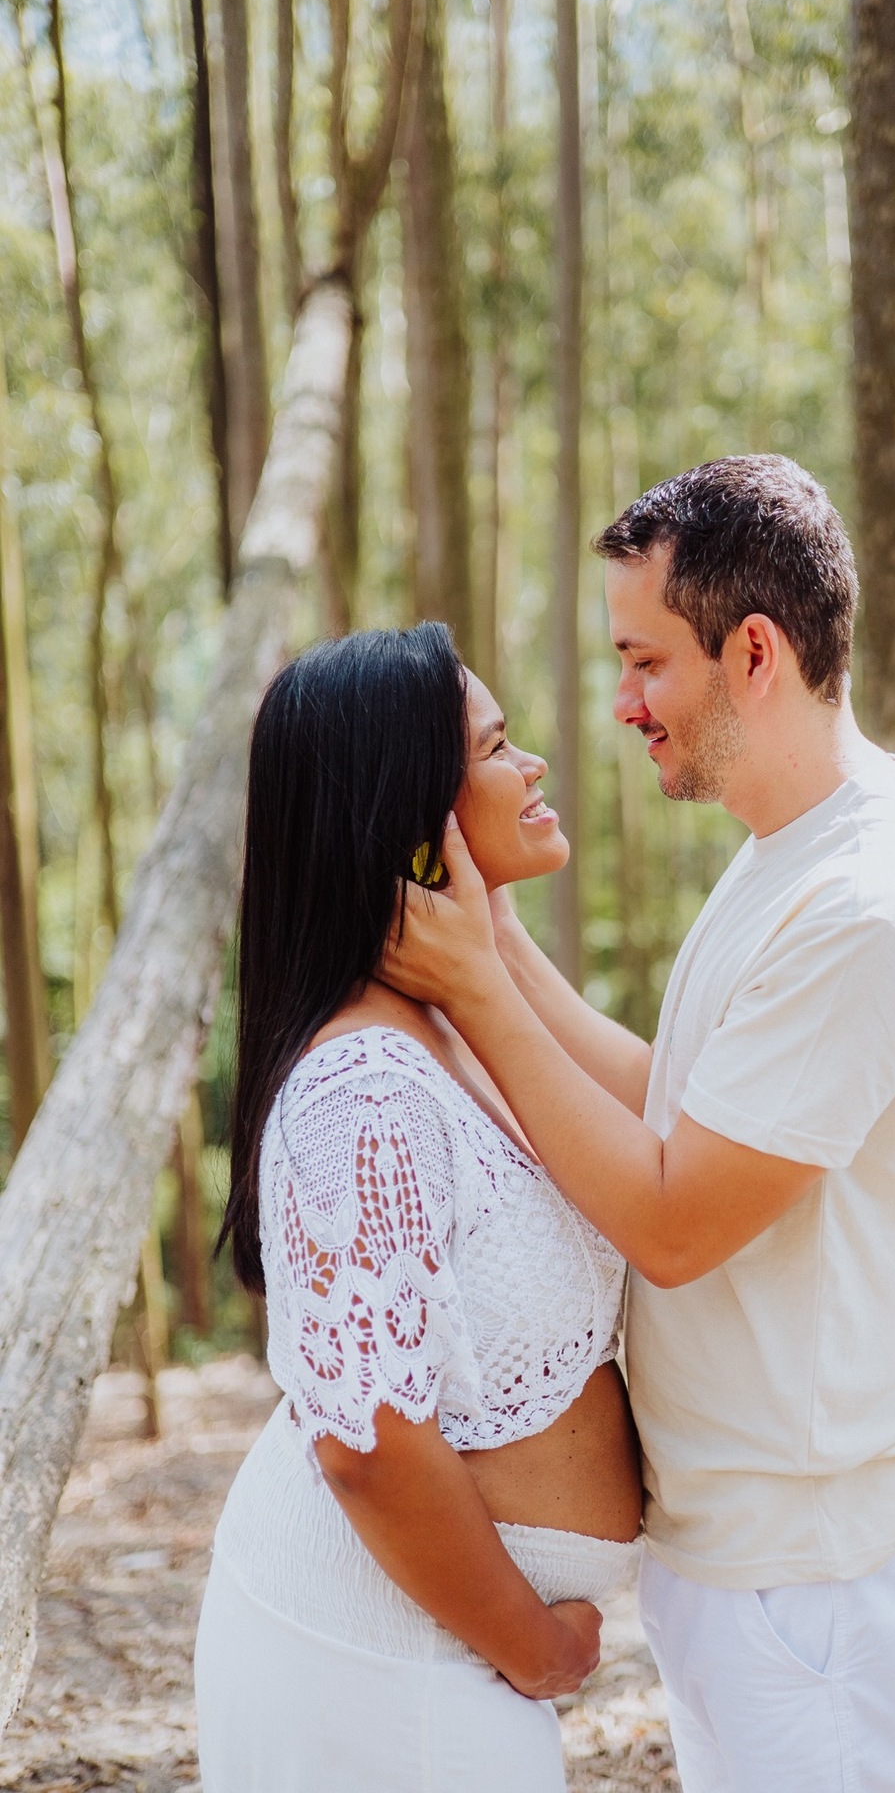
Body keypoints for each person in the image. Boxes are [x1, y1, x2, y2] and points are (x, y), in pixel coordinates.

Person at [386, 455, 895, 1792]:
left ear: (755, 651)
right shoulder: (791, 859)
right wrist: (500, 941)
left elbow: (675, 1222)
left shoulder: (872, 909)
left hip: (822, 1579)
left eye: (645, 662)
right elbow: (677, 1106)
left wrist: (479, 993)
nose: (623, 705)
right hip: (760, 1560)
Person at [194, 623, 642, 1793]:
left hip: (430, 1649)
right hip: (375, 1655)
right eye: (498, 748)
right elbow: (366, 1446)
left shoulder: (451, 1030)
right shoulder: (361, 1089)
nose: (535, 764)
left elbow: (674, 1126)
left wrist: (488, 945)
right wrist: (536, 1647)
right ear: (410, 814)